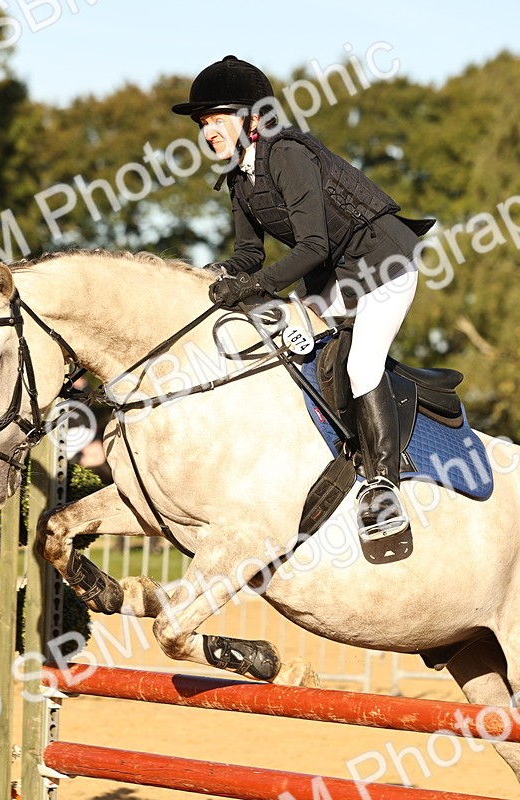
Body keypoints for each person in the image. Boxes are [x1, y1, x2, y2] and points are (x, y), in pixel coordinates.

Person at [172, 55, 434, 546]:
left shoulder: (286, 155)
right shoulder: (240, 177)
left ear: (252, 119)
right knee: (284, 343)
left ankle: (383, 485)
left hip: (384, 265)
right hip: (332, 274)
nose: (207, 131)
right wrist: (211, 277)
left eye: (216, 118)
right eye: (203, 123)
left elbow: (312, 245)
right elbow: (249, 253)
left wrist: (252, 287)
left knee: (361, 364)